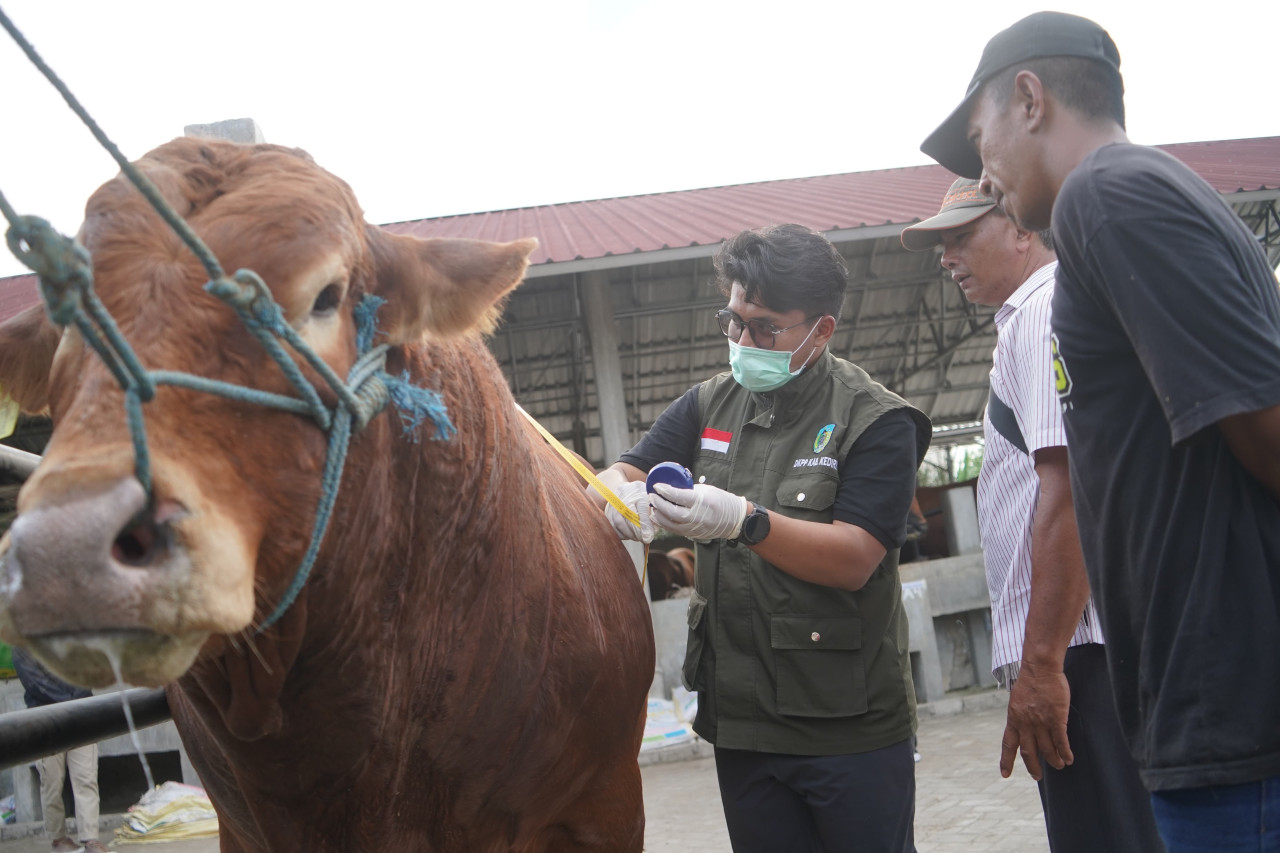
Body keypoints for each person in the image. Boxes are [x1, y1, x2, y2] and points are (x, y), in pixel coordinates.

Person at [921, 11, 1280, 850]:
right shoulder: (1127, 200)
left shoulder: (1105, 195)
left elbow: (1262, 422)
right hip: (1205, 705)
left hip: (1231, 704)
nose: (987, 172)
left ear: (1029, 99)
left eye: (981, 141)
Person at [591, 223, 931, 853]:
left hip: (846, 729)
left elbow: (856, 558)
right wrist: (616, 501)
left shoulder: (876, 420)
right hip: (744, 727)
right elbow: (621, 471)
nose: (744, 340)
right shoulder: (708, 404)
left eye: (766, 327)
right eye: (734, 319)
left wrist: (744, 521)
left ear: (821, 330)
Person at [902, 177, 1163, 851]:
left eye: (962, 237)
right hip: (1075, 644)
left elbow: (1069, 486)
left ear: (1021, 229)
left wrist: (1042, 663)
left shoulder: (1045, 311)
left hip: (1079, 649)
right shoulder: (1032, 316)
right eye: (942, 244)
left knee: (1108, 832)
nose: (946, 257)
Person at [13, 647, 115, 853]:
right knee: (51, 780)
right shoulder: (23, 646)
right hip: (45, 720)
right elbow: (35, 684)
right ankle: (58, 839)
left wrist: (78, 699)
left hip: (81, 717)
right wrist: (71, 699)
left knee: (86, 777)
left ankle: (90, 839)